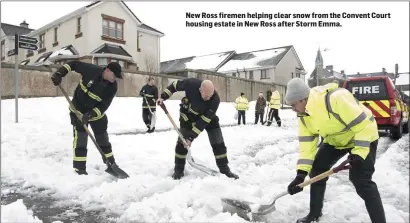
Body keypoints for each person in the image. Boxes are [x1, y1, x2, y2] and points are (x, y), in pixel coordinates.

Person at [285, 78, 386, 223]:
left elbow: (363, 125)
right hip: (337, 140)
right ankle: (314, 214)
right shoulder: (304, 117)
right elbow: (307, 148)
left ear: (303, 99)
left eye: (294, 105)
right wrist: (300, 175)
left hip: (364, 135)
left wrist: (359, 153)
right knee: (317, 169)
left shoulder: (335, 99)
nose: (293, 109)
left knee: (361, 179)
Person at [50, 60, 124, 176]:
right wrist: (60, 73)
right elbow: (73, 64)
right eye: (114, 76)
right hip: (78, 111)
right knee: (80, 140)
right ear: (108, 70)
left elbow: (104, 106)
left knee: (103, 140)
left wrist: (90, 115)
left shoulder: (112, 87)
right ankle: (80, 170)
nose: (115, 79)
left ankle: (111, 163)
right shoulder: (91, 70)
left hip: (95, 115)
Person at [157, 78, 239, 180]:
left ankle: (225, 170)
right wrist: (163, 97)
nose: (208, 98)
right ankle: (178, 170)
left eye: (210, 96)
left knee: (218, 142)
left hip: (207, 117)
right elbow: (174, 85)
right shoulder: (191, 84)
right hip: (188, 116)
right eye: (206, 96)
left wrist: (191, 137)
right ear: (200, 90)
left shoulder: (215, 100)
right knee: (182, 142)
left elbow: (204, 121)